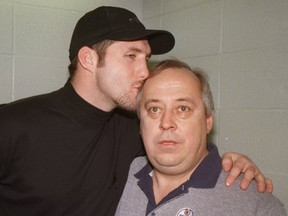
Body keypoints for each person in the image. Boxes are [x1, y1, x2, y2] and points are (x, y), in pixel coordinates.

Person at [0, 6, 272, 216]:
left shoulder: (138, 126)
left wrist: (232, 164)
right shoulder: (12, 125)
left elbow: (186, 149)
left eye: (146, 58)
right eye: (131, 56)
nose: (145, 72)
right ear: (89, 59)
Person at [115, 59, 286, 216]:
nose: (166, 123)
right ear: (139, 124)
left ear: (208, 122)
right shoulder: (118, 176)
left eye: (183, 108)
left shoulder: (256, 206)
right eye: (154, 109)